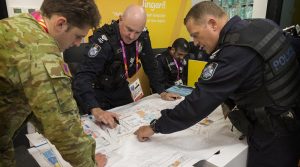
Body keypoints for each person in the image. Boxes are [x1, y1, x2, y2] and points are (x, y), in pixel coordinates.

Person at [134, 1, 300, 167]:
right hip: (290, 117)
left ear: (212, 24)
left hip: (273, 134)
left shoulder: (234, 51)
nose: (195, 42)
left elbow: (197, 104)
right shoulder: (263, 25)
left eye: (195, 34)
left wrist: (155, 127)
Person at [0, 0, 107, 166]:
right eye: (78, 36)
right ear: (61, 23)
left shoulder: (17, 24)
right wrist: (89, 163)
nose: (78, 43)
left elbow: (39, 104)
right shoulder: (42, 51)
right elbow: (62, 125)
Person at [72, 5, 179, 129]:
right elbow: (83, 76)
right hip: (98, 92)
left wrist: (161, 91)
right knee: (103, 127)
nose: (132, 36)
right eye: (129, 29)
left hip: (120, 87)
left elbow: (151, 65)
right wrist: (95, 109)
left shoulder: (143, 36)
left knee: (129, 125)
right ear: (121, 19)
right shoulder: (104, 39)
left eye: (137, 32)